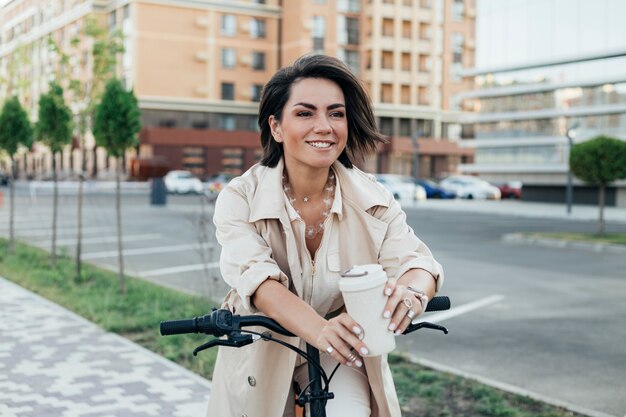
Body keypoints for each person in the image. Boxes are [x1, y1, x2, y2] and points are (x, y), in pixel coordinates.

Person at [208, 54, 444, 417]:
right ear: (276, 127)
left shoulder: (373, 197)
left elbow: (416, 262)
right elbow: (258, 280)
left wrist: (411, 294)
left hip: (343, 348)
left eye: (336, 113)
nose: (324, 126)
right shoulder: (240, 196)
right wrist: (319, 330)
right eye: (305, 113)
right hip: (262, 345)